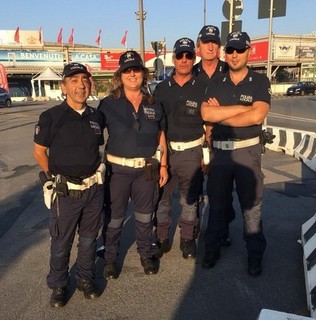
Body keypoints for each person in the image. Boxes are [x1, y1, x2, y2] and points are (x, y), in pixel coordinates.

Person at [33, 62, 105, 307]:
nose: (80, 85)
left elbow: (97, 148)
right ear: (64, 87)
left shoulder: (96, 116)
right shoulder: (52, 116)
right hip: (66, 192)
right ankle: (59, 284)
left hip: (93, 190)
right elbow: (39, 151)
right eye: (74, 81)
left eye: (84, 80)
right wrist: (53, 177)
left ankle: (85, 279)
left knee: (88, 239)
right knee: (61, 242)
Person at [201, 31, 271, 276]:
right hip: (220, 154)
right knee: (217, 206)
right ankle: (212, 249)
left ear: (248, 52)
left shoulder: (260, 82)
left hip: (247, 154)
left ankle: (254, 255)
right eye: (230, 50)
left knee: (251, 208)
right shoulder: (216, 82)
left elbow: (257, 115)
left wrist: (224, 113)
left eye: (239, 50)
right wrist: (242, 108)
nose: (234, 55)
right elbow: (207, 115)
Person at [98, 51, 168, 279]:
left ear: (143, 74)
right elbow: (92, 136)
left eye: (136, 69)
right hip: (117, 172)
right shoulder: (108, 104)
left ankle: (146, 253)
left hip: (147, 170)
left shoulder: (154, 104)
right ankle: (109, 258)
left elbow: (161, 135)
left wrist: (164, 165)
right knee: (115, 217)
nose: (132, 74)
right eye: (127, 70)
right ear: (120, 75)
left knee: (145, 215)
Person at [153, 38, 207, 260]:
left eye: (188, 56)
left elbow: (210, 124)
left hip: (193, 152)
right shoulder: (161, 89)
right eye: (180, 55)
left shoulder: (203, 86)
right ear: (173, 58)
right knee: (162, 199)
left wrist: (207, 156)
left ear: (194, 58)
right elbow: (155, 124)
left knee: (189, 200)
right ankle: (162, 237)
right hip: (167, 152)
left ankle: (187, 239)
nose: (184, 60)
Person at [194, 25, 235, 247]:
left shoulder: (229, 70)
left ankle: (224, 227)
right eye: (206, 42)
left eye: (214, 42)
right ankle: (198, 229)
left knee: (223, 189)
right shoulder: (190, 72)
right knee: (196, 186)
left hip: (221, 138)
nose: (211, 46)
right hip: (194, 137)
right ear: (198, 46)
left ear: (219, 47)